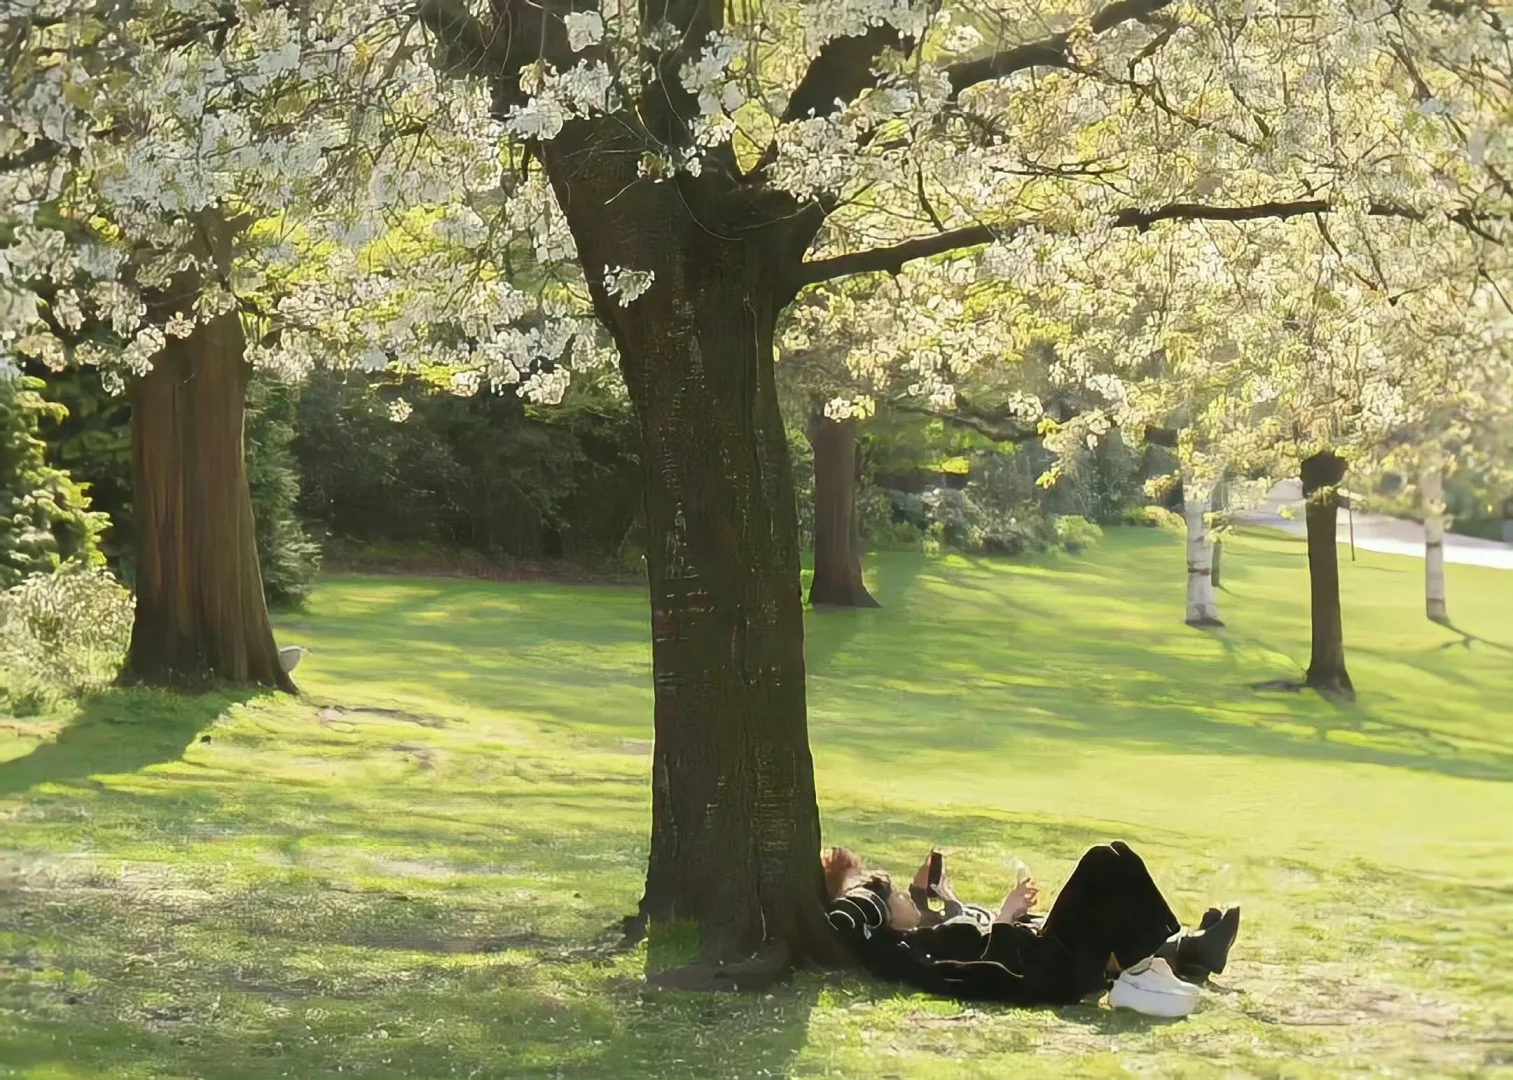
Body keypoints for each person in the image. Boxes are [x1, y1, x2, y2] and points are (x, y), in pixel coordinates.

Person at [822, 843, 1240, 1007]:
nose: (893, 891)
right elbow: (986, 976)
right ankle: (1163, 962)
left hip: (1048, 957)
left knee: (1116, 857)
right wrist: (1003, 920)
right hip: (1045, 973)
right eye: (886, 894)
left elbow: (944, 922)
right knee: (1101, 864)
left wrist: (944, 899)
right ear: (879, 917)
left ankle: (1187, 950)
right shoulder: (910, 952)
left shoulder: (926, 931)